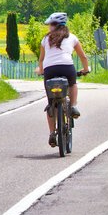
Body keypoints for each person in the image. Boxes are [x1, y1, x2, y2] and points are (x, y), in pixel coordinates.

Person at [35, 12, 89, 148]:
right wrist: (85, 69)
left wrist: (40, 70)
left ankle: (52, 133)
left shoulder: (45, 39)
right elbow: (83, 57)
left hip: (50, 71)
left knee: (50, 104)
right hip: (67, 68)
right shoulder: (72, 37)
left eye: (51, 25)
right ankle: (73, 106)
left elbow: (41, 59)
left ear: (55, 25)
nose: (49, 27)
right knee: (72, 84)